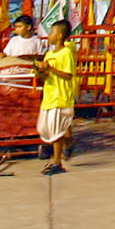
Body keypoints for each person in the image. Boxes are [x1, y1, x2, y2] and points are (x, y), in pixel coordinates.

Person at [35, 19, 77, 175]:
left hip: (61, 96)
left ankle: (57, 162)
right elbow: (45, 76)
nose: (49, 35)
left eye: (52, 32)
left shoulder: (66, 53)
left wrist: (51, 69)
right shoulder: (49, 54)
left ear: (59, 35)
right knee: (47, 129)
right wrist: (40, 71)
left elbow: (68, 74)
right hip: (49, 96)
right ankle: (69, 143)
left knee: (56, 130)